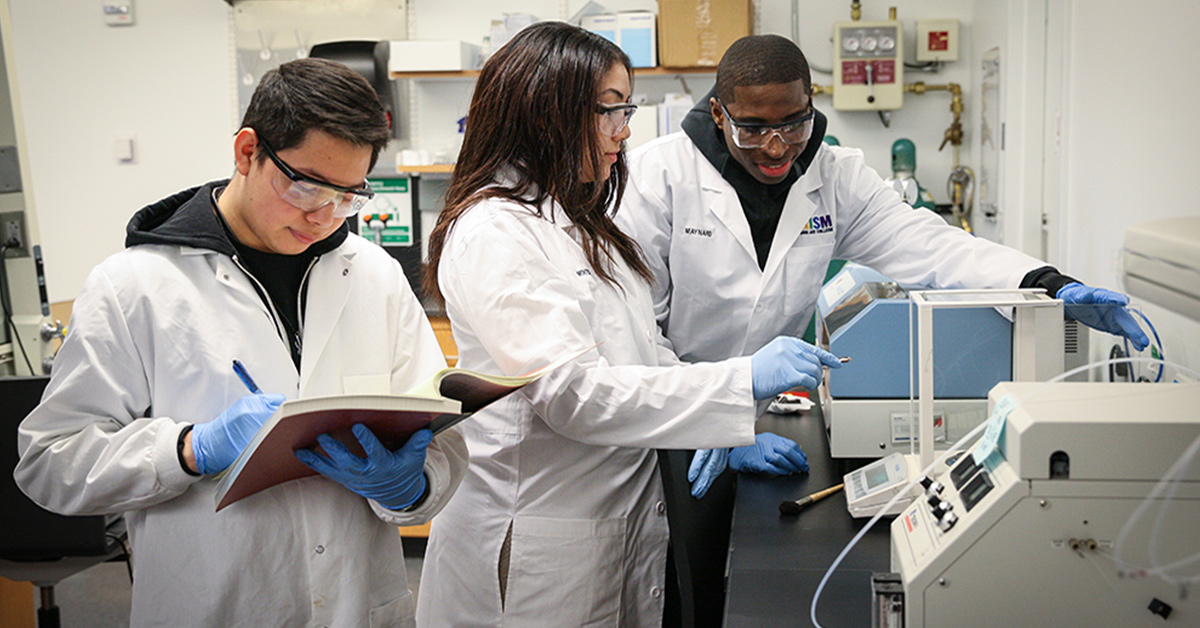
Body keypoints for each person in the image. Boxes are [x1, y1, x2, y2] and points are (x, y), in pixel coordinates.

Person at [615, 33, 1151, 625]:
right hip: (668, 422)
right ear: (719, 113)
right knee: (681, 586)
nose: (775, 147)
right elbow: (636, 331)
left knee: (734, 582)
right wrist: (710, 411)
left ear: (812, 102)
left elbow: (930, 244)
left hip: (752, 423)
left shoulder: (836, 175)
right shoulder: (655, 176)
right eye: (752, 128)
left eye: (794, 123)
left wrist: (1048, 282)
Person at [414, 22, 842, 627]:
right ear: (547, 114)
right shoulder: (494, 232)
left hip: (616, 527)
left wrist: (723, 429)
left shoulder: (585, 220)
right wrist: (739, 382)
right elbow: (574, 395)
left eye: (627, 109)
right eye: (611, 111)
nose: (626, 130)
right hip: (536, 540)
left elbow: (645, 355)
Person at [14, 58, 467, 627]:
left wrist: (411, 485)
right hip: (215, 607)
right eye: (305, 186)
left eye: (349, 195)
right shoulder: (136, 286)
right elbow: (49, 462)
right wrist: (188, 448)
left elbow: (437, 433)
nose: (325, 216)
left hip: (359, 606)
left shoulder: (373, 274)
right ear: (248, 151)